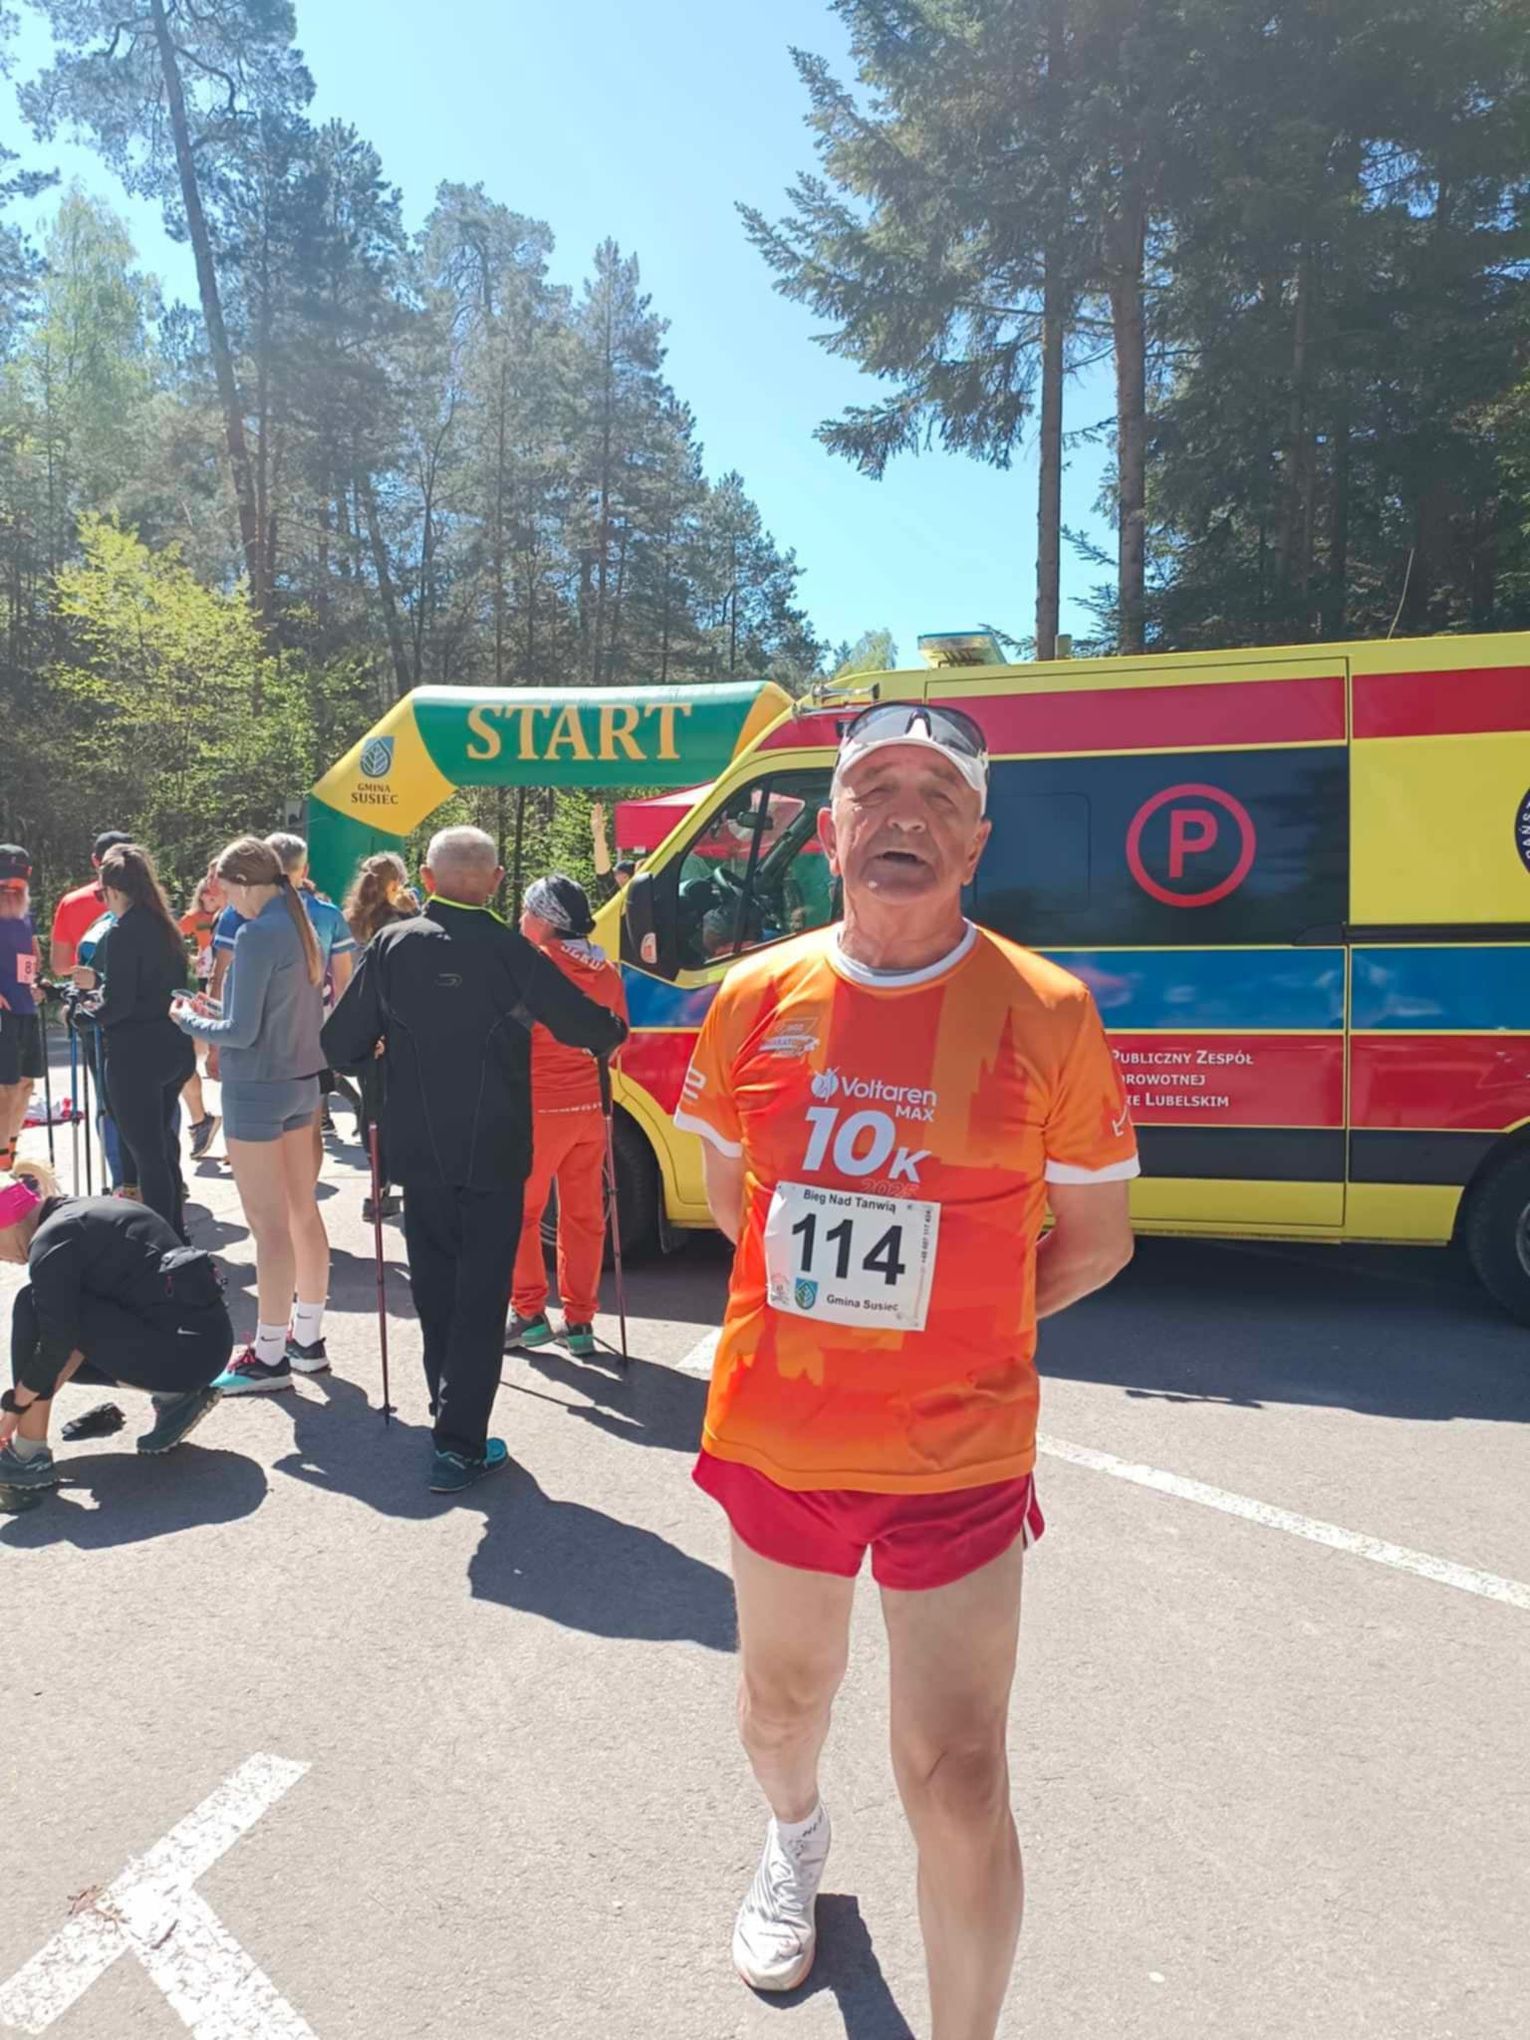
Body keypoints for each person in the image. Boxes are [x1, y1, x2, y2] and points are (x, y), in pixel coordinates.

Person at [673, 703, 1138, 2031]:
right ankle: (794, 1837)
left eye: (940, 796)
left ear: (974, 844)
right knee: (781, 1706)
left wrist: (961, 1328)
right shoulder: (753, 999)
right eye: (874, 788)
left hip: (959, 1455)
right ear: (829, 834)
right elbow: (734, 1203)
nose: (905, 814)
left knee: (959, 1775)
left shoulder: (1046, 1012)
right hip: (781, 1439)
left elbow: (1096, 1241)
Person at [322, 827, 627, 1493]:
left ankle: (447, 1413)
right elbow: (585, 1025)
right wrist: (612, 1035)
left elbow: (339, 1042)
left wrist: (379, 1060)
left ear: (427, 880)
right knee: (482, 1292)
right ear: (494, 882)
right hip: (495, 1146)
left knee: (435, 1284)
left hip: (419, 1147)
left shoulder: (392, 945)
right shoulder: (511, 950)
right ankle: (460, 1441)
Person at [171, 837, 331, 1393]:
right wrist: (212, 1010)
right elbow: (263, 1014)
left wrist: (187, 1019)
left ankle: (268, 1355)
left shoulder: (257, 932)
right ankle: (306, 1340)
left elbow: (240, 1033)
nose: (221, 899)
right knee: (302, 1213)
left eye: (222, 888)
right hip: (301, 1085)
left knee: (269, 1227)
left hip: (258, 1089)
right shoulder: (299, 922)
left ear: (240, 883)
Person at [0, 1161, 232, 1499]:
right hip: (205, 1345)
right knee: (53, 1315)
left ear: (7, 1223)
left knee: (35, 1309)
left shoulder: (51, 1243)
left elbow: (56, 1344)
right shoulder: (81, 1212)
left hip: (185, 1356)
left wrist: (12, 1411)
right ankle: (176, 1396)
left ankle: (27, 1453)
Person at [507, 875, 629, 1360]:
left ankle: (529, 1314)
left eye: (526, 911)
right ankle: (580, 1322)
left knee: (520, 1213)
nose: (521, 919)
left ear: (544, 920)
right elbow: (618, 1040)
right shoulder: (607, 970)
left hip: (538, 1108)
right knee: (583, 1217)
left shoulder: (533, 967)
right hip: (592, 1108)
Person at [72, 844, 195, 1240]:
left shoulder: (123, 931)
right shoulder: (164, 925)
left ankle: (164, 1243)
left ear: (112, 890)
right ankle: (176, 1232)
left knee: (147, 1155)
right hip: (173, 1046)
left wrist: (84, 1016)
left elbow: (119, 1005)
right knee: (163, 1147)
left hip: (136, 1054)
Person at [209, 834, 356, 1158]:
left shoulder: (241, 917)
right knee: (311, 1132)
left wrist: (207, 1038)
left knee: (264, 1163)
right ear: (305, 869)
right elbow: (344, 984)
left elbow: (222, 978)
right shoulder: (328, 914)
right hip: (313, 1045)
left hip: (260, 1062)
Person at [49, 829, 132, 1192]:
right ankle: (159, 1174)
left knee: (109, 1101)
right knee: (157, 1100)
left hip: (96, 1014)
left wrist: (88, 976)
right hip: (145, 1018)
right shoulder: (154, 901)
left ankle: (122, 1181)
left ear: (95, 861)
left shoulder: (73, 903)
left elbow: (59, 965)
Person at [340, 851, 416, 1223]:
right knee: (406, 1108)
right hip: (400, 1026)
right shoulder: (405, 920)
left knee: (374, 1110)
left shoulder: (349, 921)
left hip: (363, 1023)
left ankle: (378, 1188)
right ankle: (408, 1183)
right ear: (397, 882)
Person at [176, 865, 225, 1159]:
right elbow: (173, 936)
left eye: (213, 889)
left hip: (224, 984)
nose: (209, 896)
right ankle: (203, 1121)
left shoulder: (231, 916)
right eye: (205, 891)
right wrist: (192, 958)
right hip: (208, 982)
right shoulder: (195, 918)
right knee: (193, 1051)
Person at [0, 846, 44, 1174]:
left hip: (26, 1008)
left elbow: (31, 959)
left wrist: (37, 982)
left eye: (19, 886)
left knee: (26, 1084)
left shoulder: (26, 916)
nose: (12, 891)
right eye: (5, 885)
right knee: (5, 1089)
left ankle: (10, 1158)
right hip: (3, 1013)